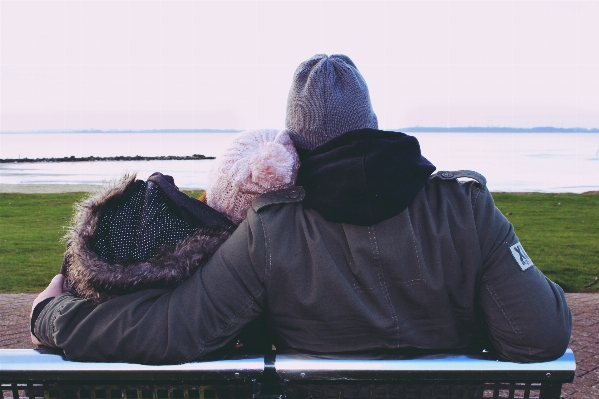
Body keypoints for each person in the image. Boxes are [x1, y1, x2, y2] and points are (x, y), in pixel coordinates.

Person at [31, 54, 572, 365]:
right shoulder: (467, 207)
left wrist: (52, 315)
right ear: (374, 122)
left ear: (295, 146)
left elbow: (170, 331)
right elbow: (541, 335)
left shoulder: (270, 231)